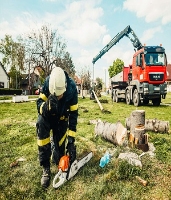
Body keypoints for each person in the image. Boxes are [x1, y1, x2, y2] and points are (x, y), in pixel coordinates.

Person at [36, 66, 78, 188]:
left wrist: (71, 141)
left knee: (58, 158)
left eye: (60, 95)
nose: (58, 98)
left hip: (62, 119)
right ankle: (46, 168)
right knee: (41, 122)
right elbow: (38, 104)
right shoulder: (48, 82)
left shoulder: (72, 88)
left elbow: (73, 115)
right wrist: (45, 107)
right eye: (56, 95)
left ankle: (56, 148)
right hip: (48, 117)